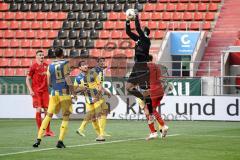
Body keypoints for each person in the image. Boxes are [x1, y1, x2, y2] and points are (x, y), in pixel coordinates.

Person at [33, 47, 75, 148]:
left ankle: (38, 139)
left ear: (55, 55)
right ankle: (60, 141)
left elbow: (48, 82)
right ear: (62, 54)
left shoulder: (50, 65)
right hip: (64, 93)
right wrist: (73, 92)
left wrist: (54, 87)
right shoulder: (65, 63)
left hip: (54, 93)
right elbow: (68, 78)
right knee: (65, 116)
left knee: (48, 115)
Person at [76, 58, 111, 137]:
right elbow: (97, 84)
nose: (102, 63)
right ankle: (101, 133)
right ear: (97, 62)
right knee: (101, 112)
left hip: (92, 94)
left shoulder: (95, 71)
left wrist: (106, 92)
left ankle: (83, 129)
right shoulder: (96, 71)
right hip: (95, 94)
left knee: (93, 114)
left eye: (103, 61)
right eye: (101, 61)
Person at [125, 11, 152, 107]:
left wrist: (136, 17)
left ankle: (151, 110)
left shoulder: (146, 40)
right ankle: (142, 98)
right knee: (128, 87)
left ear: (146, 34)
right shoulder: (139, 39)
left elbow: (137, 28)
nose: (141, 31)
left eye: (143, 31)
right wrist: (127, 21)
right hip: (136, 66)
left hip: (142, 66)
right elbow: (128, 32)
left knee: (145, 90)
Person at [26, 50, 54, 137]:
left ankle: (48, 131)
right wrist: (30, 90)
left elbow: (50, 77)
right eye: (40, 55)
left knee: (47, 111)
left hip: (45, 91)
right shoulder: (33, 67)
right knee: (38, 109)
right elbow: (27, 79)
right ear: (36, 57)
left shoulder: (47, 66)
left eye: (42, 55)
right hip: (36, 91)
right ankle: (40, 131)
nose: (42, 56)